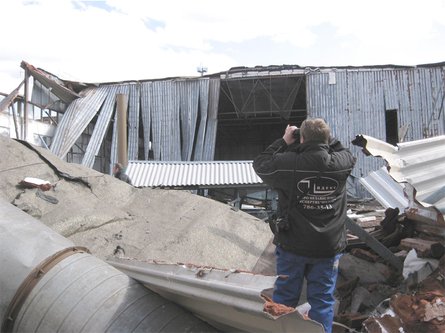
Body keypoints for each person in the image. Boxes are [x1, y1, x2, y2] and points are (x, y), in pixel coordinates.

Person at [253, 118, 356, 333]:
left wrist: (283, 141)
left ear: (301, 138)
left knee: (284, 299)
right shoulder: (342, 163)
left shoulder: (286, 163)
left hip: (293, 246)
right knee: (322, 300)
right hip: (327, 247)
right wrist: (324, 137)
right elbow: (344, 151)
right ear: (327, 139)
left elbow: (261, 163)